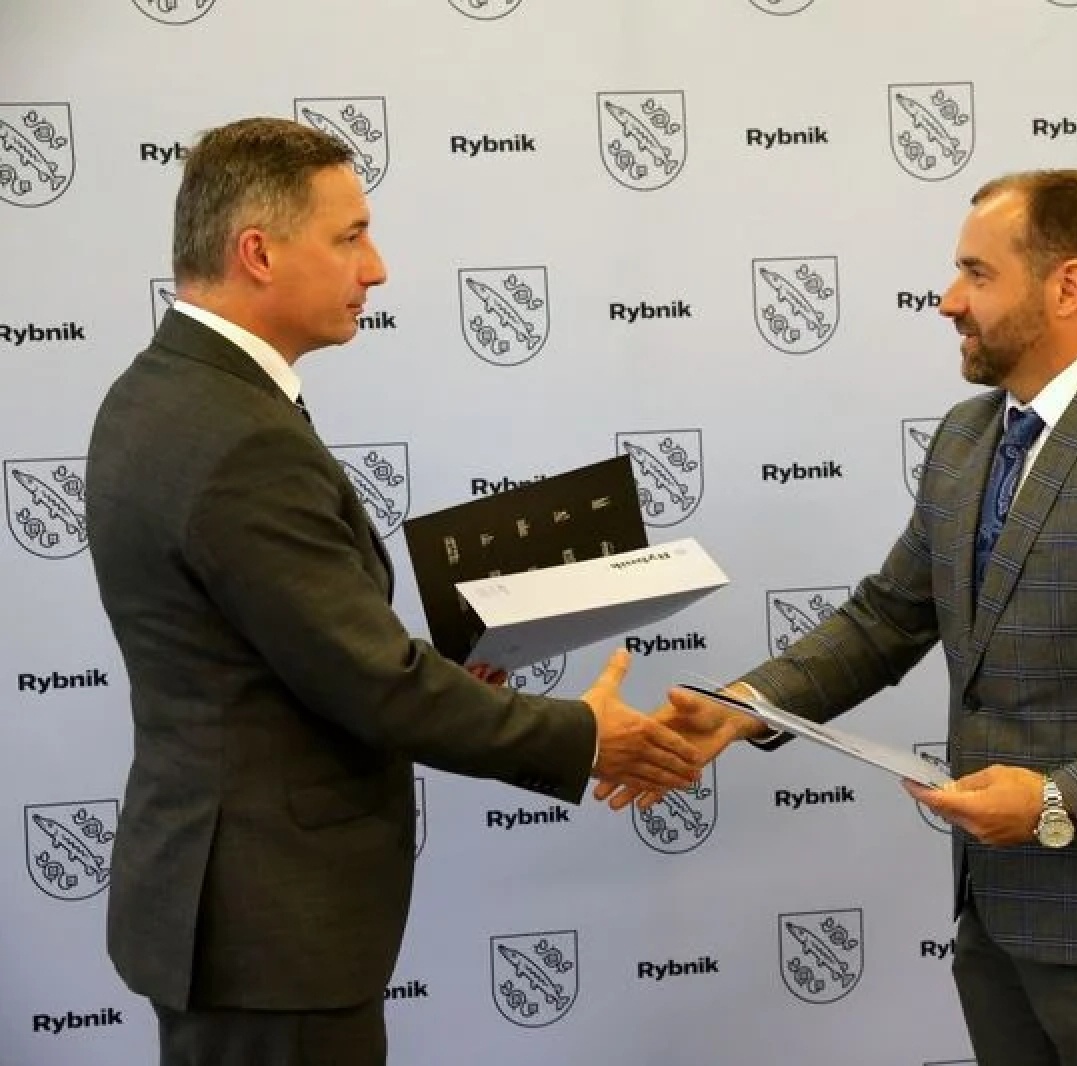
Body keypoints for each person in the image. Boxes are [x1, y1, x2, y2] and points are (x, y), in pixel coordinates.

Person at [610, 169, 1077, 1066]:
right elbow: (889, 616)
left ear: (1067, 285)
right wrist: (746, 706)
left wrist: (1058, 803)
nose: (948, 300)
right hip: (994, 921)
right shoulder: (967, 438)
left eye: (977, 274)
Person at [84, 116, 699, 1066]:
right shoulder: (239, 436)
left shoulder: (162, 389)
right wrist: (585, 737)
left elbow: (297, 650)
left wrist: (450, 676)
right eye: (350, 238)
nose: (376, 269)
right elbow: (373, 684)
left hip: (233, 915)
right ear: (258, 253)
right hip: (269, 934)